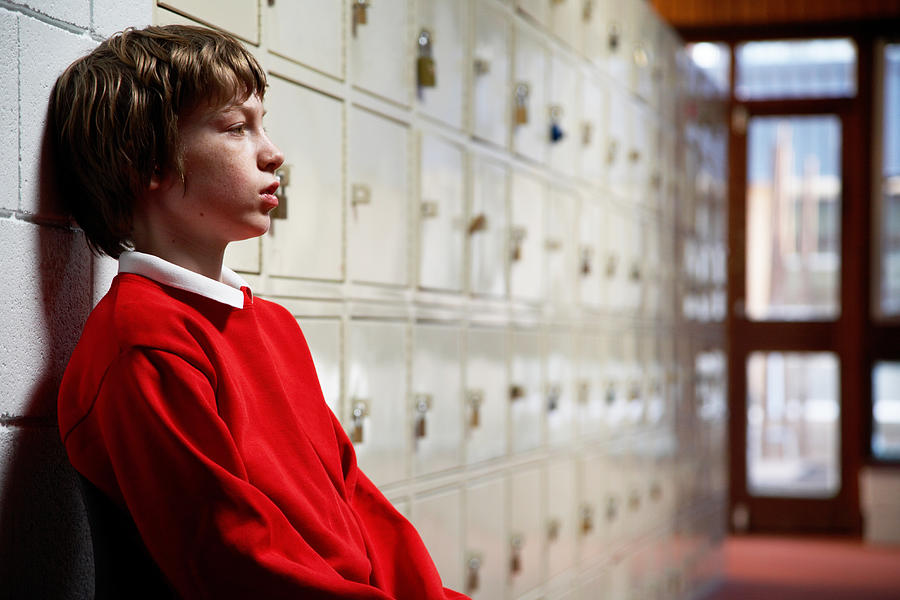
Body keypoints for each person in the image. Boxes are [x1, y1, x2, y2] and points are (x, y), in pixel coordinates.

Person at [51, 24, 468, 600]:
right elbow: (235, 561)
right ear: (146, 164)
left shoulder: (271, 324)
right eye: (236, 128)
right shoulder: (142, 343)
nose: (274, 153)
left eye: (262, 124)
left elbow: (357, 505)